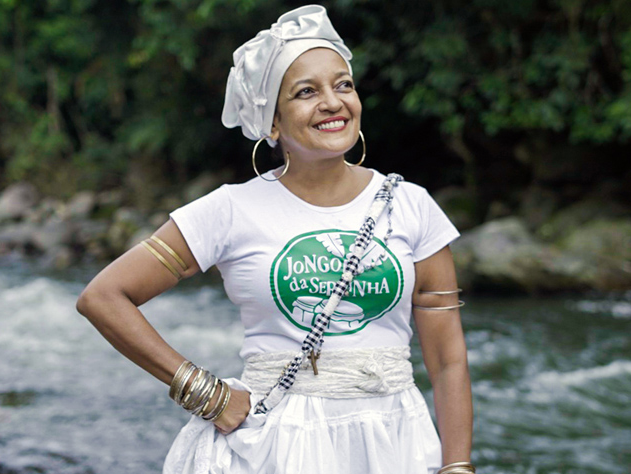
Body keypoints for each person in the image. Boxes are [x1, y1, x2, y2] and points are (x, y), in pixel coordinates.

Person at [76, 5, 474, 474]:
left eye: (342, 84)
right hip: (280, 446)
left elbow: (448, 360)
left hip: (396, 441)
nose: (332, 102)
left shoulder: (411, 204)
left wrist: (457, 467)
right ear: (272, 122)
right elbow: (103, 297)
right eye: (306, 92)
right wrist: (204, 392)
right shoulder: (229, 210)